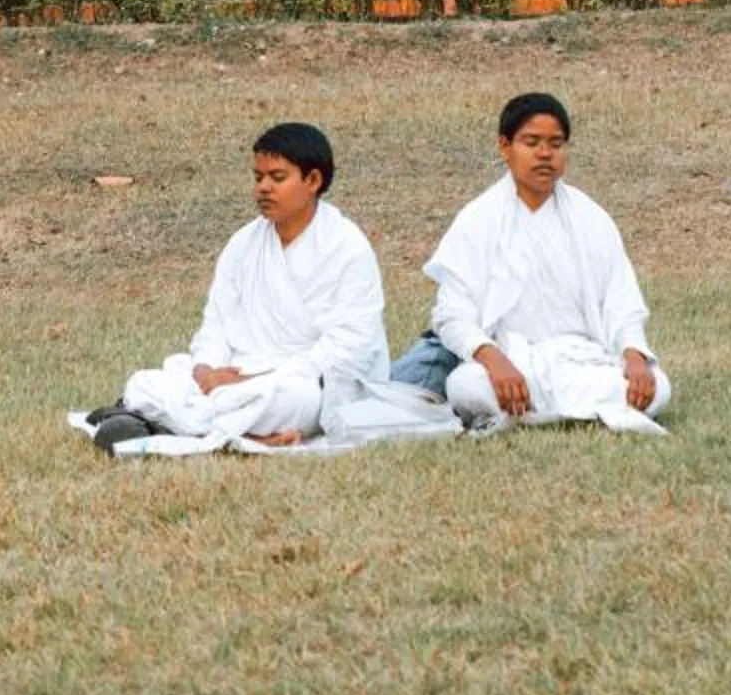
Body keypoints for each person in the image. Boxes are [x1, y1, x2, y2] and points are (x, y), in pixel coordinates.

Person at [84, 123, 387, 451]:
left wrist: (253, 380)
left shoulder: (347, 247)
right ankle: (229, 431)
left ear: (313, 181)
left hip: (301, 382)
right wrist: (205, 372)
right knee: (149, 381)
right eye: (258, 178)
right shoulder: (244, 243)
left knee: (291, 399)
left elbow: (347, 350)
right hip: (230, 377)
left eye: (277, 177)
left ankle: (160, 422)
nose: (264, 188)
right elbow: (215, 324)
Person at [426, 93, 672, 434]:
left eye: (555, 144)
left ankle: (534, 416)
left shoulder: (591, 218)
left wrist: (634, 356)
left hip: (582, 361)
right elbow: (452, 314)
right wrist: (493, 359)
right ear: (505, 147)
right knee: (465, 386)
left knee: (658, 386)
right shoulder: (477, 220)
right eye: (532, 142)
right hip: (512, 362)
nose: (545, 154)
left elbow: (623, 302)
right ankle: (592, 415)